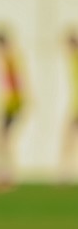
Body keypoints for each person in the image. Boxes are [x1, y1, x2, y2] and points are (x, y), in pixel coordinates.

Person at [0, 27, 27, 190]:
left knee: (2, 141)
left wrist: (11, 105)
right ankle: (5, 176)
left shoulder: (8, 58)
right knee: (2, 141)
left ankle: (5, 177)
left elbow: (14, 84)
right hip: (11, 104)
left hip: (11, 105)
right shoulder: (11, 57)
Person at [58, 27, 78, 184]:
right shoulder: (72, 60)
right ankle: (66, 173)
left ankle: (65, 174)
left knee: (68, 140)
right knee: (68, 140)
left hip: (76, 109)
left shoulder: (75, 59)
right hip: (74, 107)